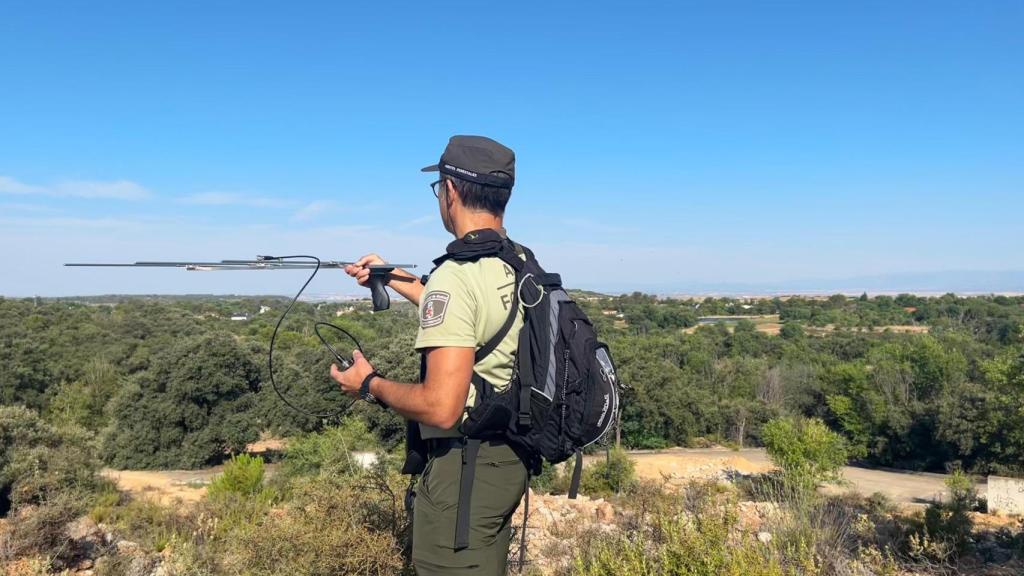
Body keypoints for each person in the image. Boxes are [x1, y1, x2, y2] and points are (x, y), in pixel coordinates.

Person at [331, 135, 527, 575]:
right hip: (506, 460)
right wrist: (393, 275)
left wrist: (367, 384)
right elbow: (473, 313)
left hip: (464, 473)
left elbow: (441, 407)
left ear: (451, 191)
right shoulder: (516, 261)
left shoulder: (457, 277)